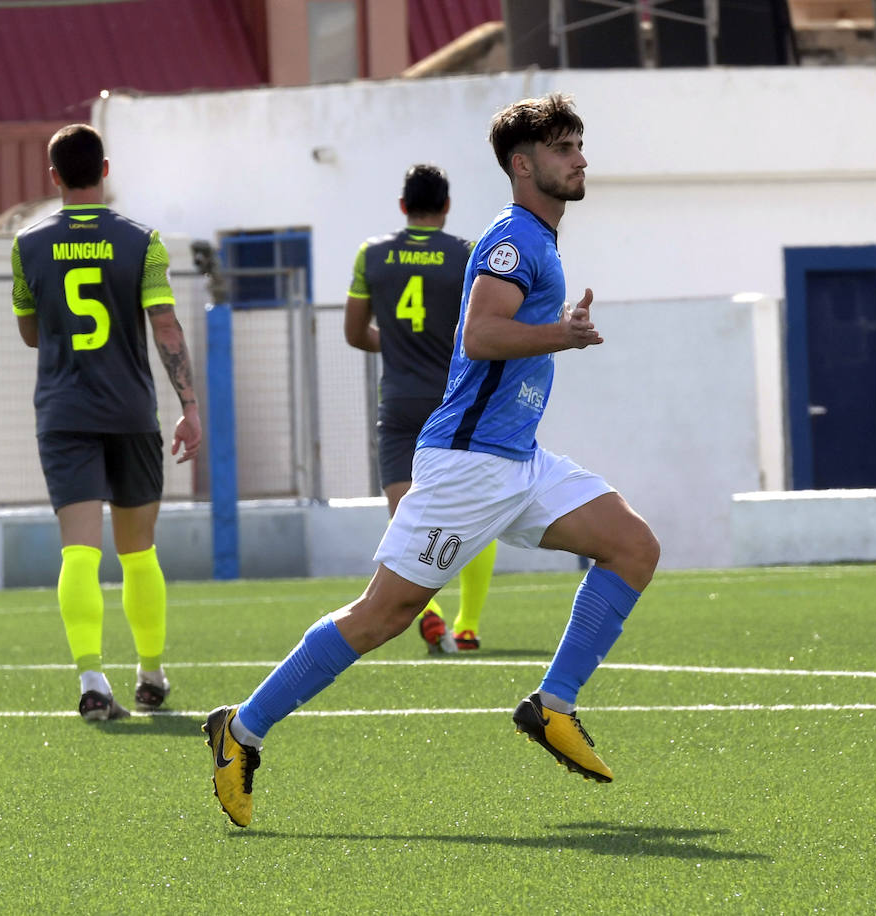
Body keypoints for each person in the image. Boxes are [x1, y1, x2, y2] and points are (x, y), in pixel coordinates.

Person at [203, 93, 660, 827]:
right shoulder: (515, 240)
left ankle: (552, 705)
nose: (580, 158)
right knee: (384, 615)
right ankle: (242, 730)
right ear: (523, 163)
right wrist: (562, 337)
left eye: (580, 144)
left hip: (519, 460)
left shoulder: (538, 237)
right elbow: (479, 335)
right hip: (466, 465)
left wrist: (556, 334)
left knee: (633, 546)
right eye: (564, 147)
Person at [11, 123, 201, 717]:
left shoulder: (28, 243)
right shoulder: (142, 241)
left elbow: (30, 332)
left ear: (54, 177)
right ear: (106, 170)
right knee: (138, 552)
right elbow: (164, 327)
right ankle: (150, 675)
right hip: (129, 412)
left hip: (64, 413)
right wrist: (189, 406)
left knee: (79, 553)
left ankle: (92, 681)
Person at [343, 163, 498, 654]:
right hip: (454, 403)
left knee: (405, 516)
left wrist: (396, 348)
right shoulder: (468, 254)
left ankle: (427, 615)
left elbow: (353, 333)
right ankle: (467, 624)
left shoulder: (372, 255)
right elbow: (486, 327)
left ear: (403, 207)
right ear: (446, 206)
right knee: (476, 514)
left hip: (400, 404)